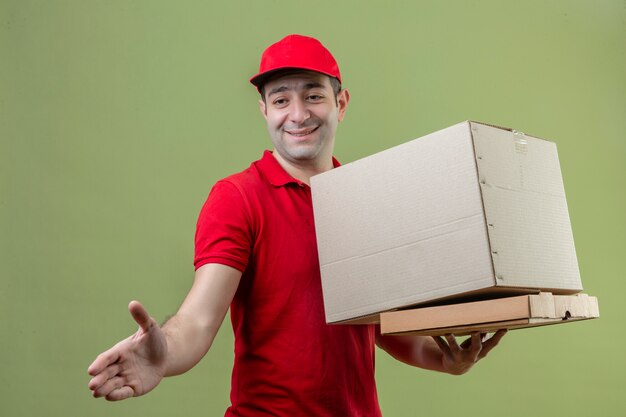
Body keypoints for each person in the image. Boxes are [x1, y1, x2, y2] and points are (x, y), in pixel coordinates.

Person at [87, 34, 506, 416]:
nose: (298, 114)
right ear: (265, 111)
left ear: (340, 104)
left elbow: (383, 325)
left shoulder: (370, 200)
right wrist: (163, 354)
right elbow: (198, 319)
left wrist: (444, 358)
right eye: (282, 100)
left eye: (313, 96)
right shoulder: (237, 198)